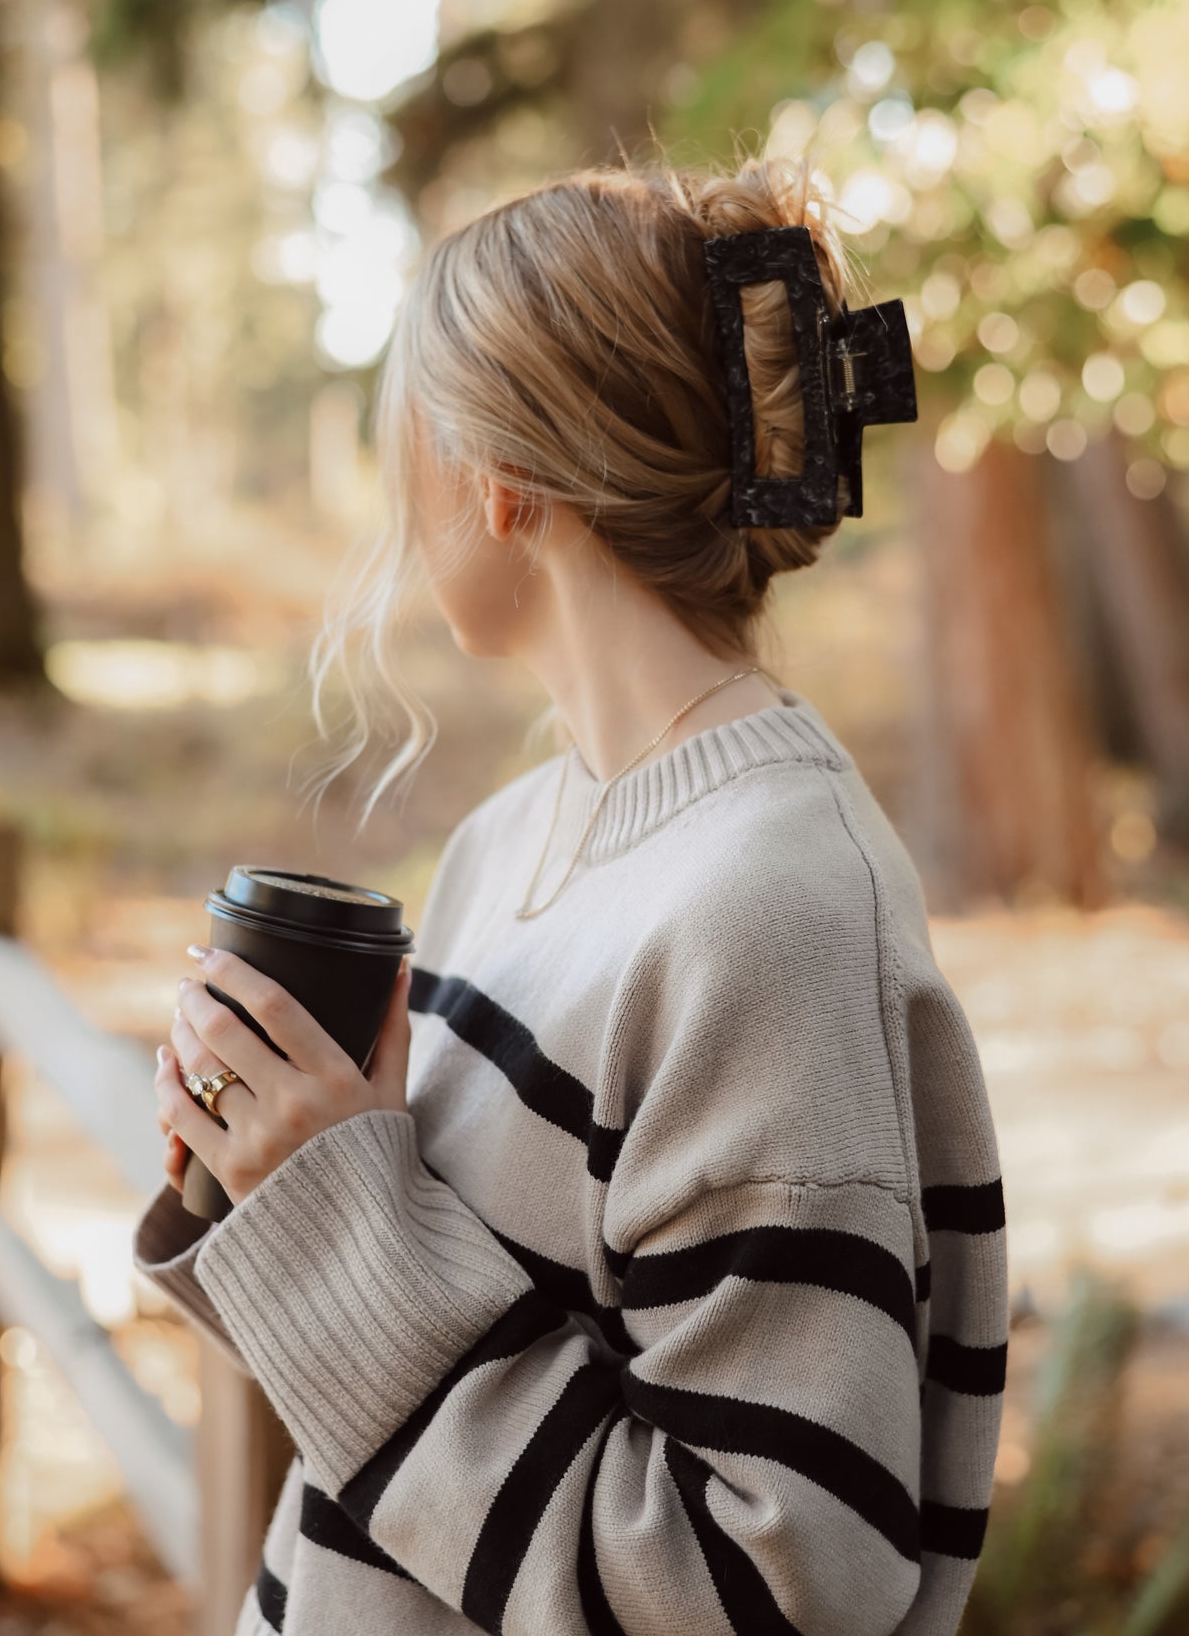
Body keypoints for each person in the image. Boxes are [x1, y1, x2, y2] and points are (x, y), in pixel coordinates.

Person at [134, 150, 1008, 1636]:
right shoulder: (515, 835)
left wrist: (351, 1228)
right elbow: (452, 1367)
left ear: (503, 478)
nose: (394, 513)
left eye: (402, 440)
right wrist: (278, 1188)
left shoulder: (770, 915)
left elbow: (773, 1587)